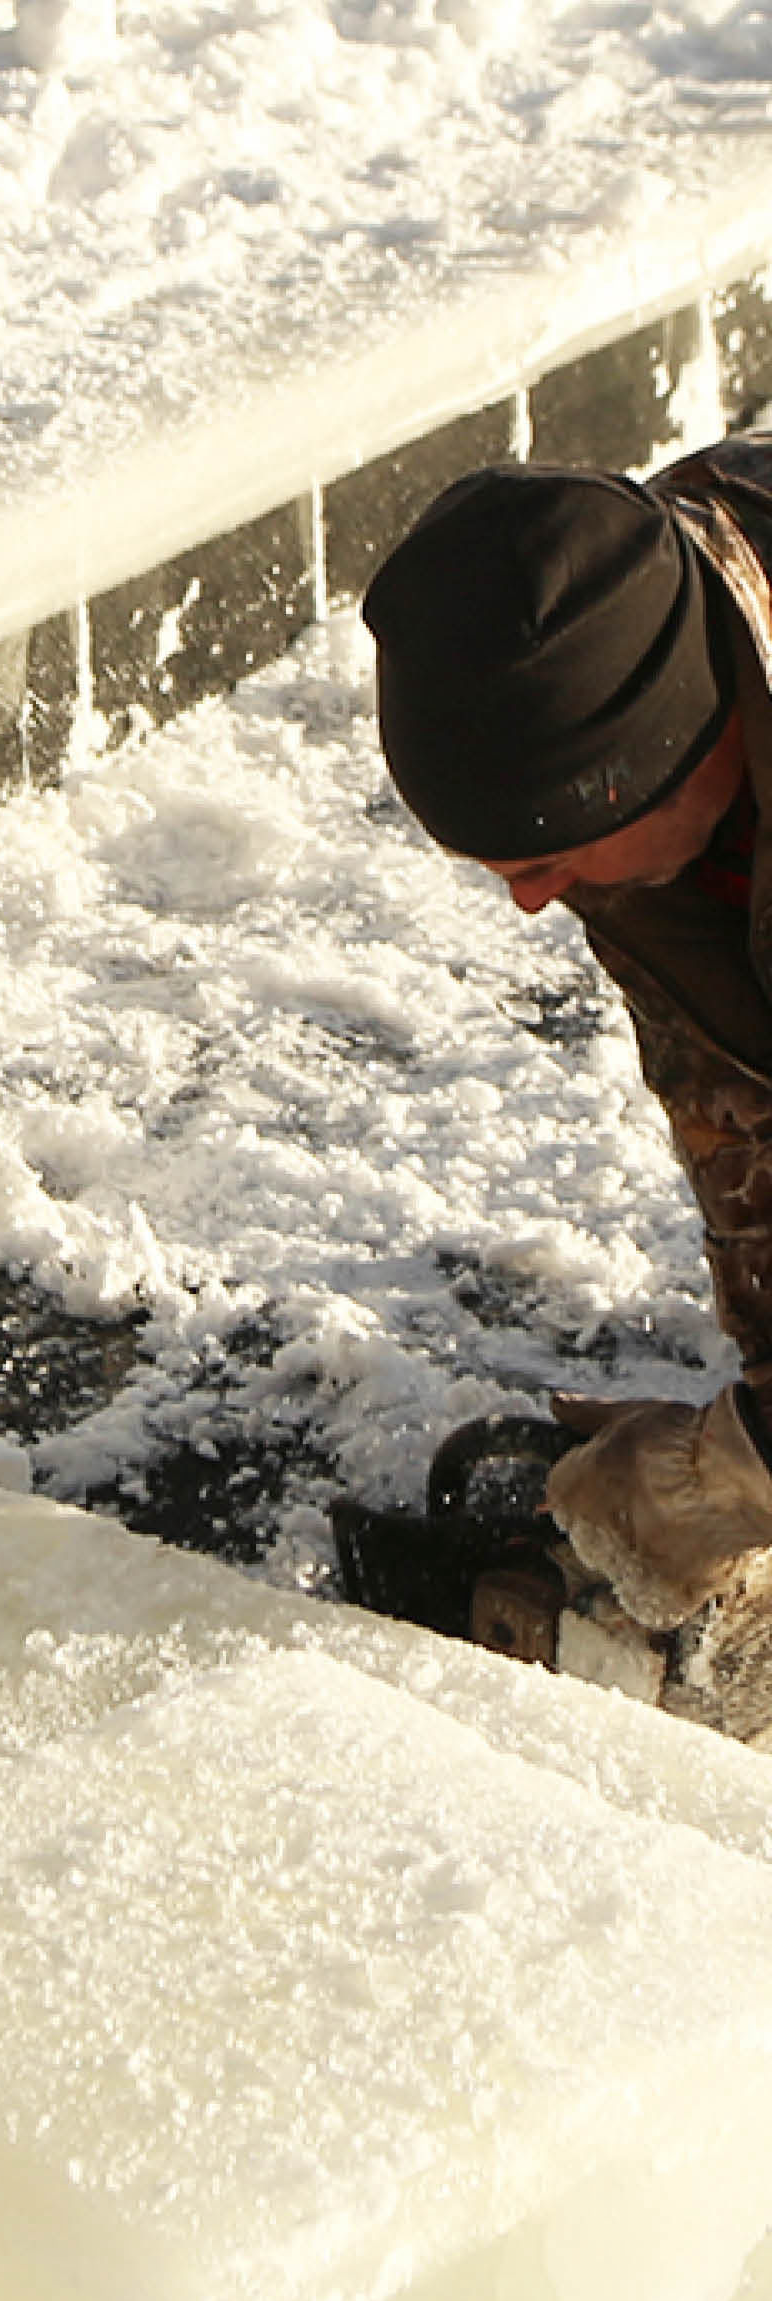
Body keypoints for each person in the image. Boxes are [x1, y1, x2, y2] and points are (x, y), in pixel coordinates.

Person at [363, 439, 772, 1638]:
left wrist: (737, 1466)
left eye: (543, 863)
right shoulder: (640, 623)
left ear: (673, 760)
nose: (531, 903)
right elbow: (734, 1091)